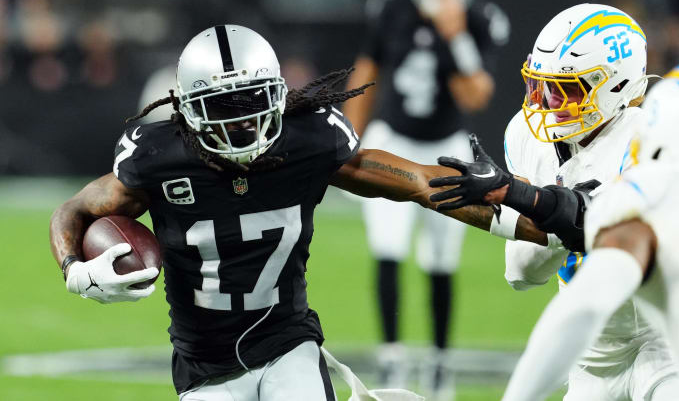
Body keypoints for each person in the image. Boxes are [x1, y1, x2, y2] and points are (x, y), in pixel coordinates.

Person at [48, 25, 543, 401]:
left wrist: (542, 224)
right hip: (203, 367)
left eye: (251, 102)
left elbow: (421, 184)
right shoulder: (158, 157)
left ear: (279, 94)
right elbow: (73, 210)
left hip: (288, 345)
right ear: (185, 109)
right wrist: (75, 269)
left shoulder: (308, 140)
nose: (241, 122)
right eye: (222, 106)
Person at [429, 3, 679, 401]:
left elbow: (594, 224)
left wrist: (530, 205)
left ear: (615, 86)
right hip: (592, 351)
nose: (548, 102)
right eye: (543, 85)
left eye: (566, 88)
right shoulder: (525, 134)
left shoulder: (653, 136)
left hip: (668, 336)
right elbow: (521, 273)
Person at [501, 60, 679, 401]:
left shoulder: (655, 197)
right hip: (612, 357)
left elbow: (584, 306)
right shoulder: (654, 197)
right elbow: (549, 283)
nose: (551, 101)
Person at [342, 0, 508, 395]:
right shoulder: (392, 8)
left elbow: (476, 95)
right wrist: (345, 141)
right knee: (388, 248)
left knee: (441, 259)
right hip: (394, 142)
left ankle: (439, 361)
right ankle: (392, 358)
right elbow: (366, 74)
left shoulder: (478, 17)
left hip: (446, 152)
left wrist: (455, 37)